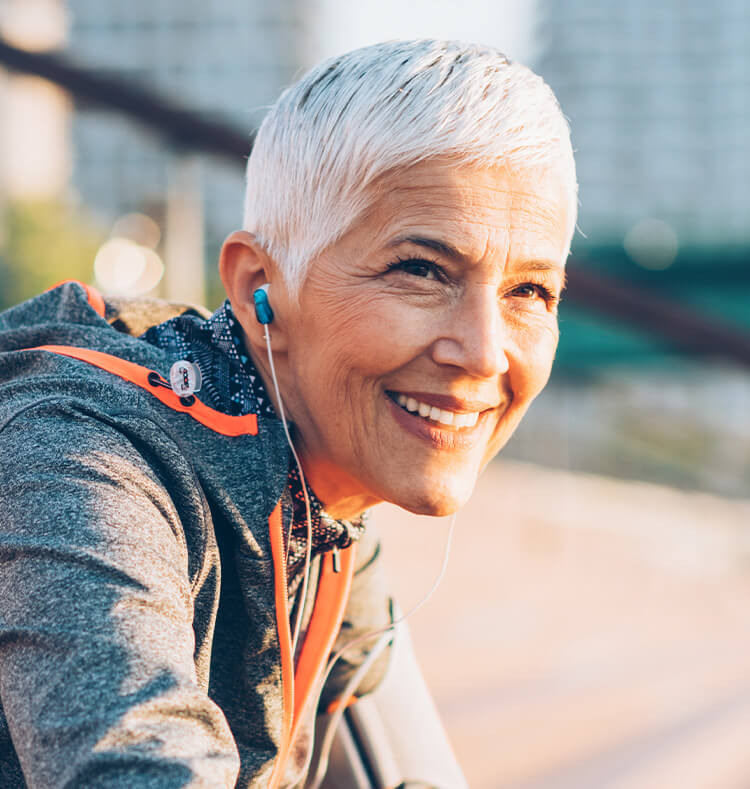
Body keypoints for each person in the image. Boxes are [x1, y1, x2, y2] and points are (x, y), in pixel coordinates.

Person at [0, 39, 576, 788]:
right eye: (420, 270)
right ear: (258, 286)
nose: (483, 352)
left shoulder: (327, 494)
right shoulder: (80, 457)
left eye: (530, 292)